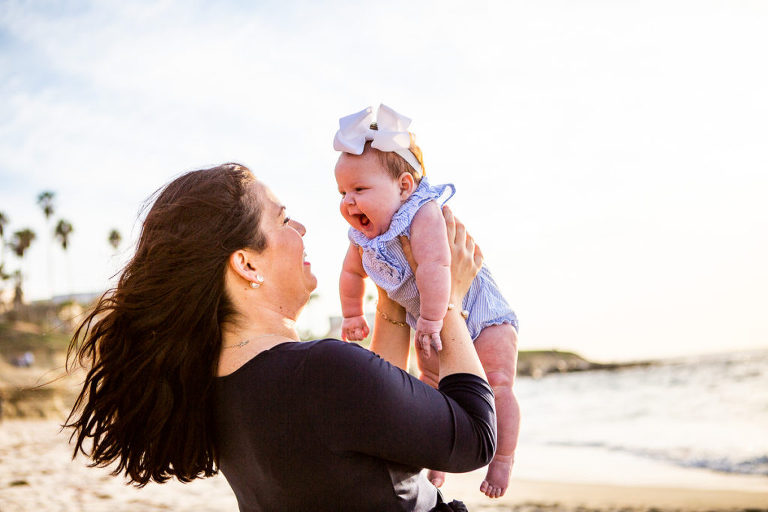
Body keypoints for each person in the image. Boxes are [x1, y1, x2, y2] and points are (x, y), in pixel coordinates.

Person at [65, 163, 496, 512]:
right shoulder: (324, 372)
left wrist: (395, 291)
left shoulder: (217, 389)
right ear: (247, 265)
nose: (302, 228)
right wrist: (451, 302)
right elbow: (476, 439)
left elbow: (377, 420)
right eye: (283, 218)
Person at [333, 105, 521, 498]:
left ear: (404, 186)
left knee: (498, 383)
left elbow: (437, 265)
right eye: (343, 193)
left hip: (480, 314)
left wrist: (435, 320)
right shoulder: (362, 238)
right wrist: (353, 313)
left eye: (360, 190)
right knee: (432, 387)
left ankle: (502, 458)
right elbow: (352, 275)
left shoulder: (422, 213)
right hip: (428, 318)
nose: (349, 202)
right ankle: (438, 459)